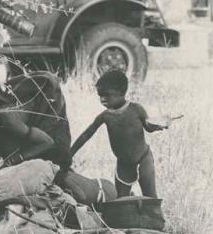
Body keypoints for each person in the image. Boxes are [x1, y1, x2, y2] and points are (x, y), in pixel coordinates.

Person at [70, 70, 169, 198]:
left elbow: (148, 127)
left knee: (150, 198)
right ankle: (131, 211)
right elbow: (86, 135)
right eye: (100, 95)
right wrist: (70, 153)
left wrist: (158, 126)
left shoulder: (136, 109)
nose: (102, 99)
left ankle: (155, 217)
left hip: (143, 159)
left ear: (121, 92)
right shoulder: (105, 116)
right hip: (123, 164)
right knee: (121, 200)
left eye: (107, 95)